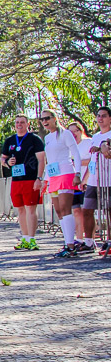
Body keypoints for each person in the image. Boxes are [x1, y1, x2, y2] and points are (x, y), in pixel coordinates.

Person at [38, 109, 83, 257]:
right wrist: (45, 179)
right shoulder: (48, 138)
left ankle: (71, 245)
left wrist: (78, 173)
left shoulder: (65, 134)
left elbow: (75, 153)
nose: (45, 121)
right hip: (54, 175)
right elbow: (49, 160)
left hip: (66, 173)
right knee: (58, 210)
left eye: (47, 118)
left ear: (54, 118)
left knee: (65, 208)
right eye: (42, 119)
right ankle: (67, 242)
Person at [0, 115, 44, 251]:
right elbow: (3, 158)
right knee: (20, 209)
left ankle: (32, 239)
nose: (19, 124)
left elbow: (42, 160)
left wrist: (39, 178)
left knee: (31, 208)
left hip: (31, 178)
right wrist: (7, 163)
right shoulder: (10, 140)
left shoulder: (34, 139)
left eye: (22, 122)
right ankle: (24, 238)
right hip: (16, 180)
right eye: (17, 122)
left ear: (27, 124)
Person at [82, 107, 111, 253]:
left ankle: (109, 241)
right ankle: (89, 242)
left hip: (108, 179)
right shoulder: (95, 136)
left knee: (109, 211)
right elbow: (92, 160)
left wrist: (102, 148)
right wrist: (84, 179)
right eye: (98, 116)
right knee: (87, 209)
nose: (100, 119)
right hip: (94, 179)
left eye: (104, 116)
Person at [68, 122, 92, 251]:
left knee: (87, 211)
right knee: (76, 211)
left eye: (75, 131)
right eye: (70, 132)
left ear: (81, 130)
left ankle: (90, 240)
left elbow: (92, 160)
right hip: (72, 183)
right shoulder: (68, 146)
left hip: (87, 181)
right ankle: (79, 239)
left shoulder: (88, 143)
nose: (73, 134)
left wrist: (77, 162)